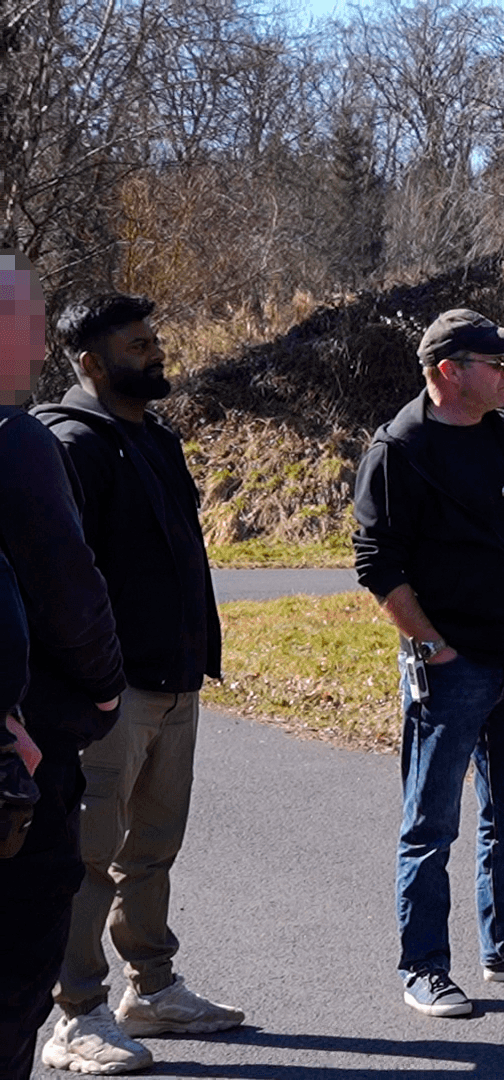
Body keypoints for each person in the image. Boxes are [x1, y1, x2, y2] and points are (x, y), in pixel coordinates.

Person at [352, 307, 504, 1019]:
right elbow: (376, 565)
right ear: (449, 371)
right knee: (430, 826)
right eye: (497, 363)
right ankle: (423, 966)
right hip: (451, 669)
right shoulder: (400, 449)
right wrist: (434, 645)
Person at [32, 293, 242, 1074]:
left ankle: (150, 988)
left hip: (174, 680)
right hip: (104, 695)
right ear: (90, 360)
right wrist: (89, 682)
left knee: (151, 850)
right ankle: (75, 1014)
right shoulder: (67, 444)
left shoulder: (156, 440)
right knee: (87, 855)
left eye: (156, 336)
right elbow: (57, 576)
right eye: (137, 342)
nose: (156, 351)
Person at [0, 253, 126, 1080]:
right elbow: (66, 580)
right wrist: (108, 683)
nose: (38, 334)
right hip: (23, 742)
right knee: (15, 964)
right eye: (23, 319)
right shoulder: (16, 440)